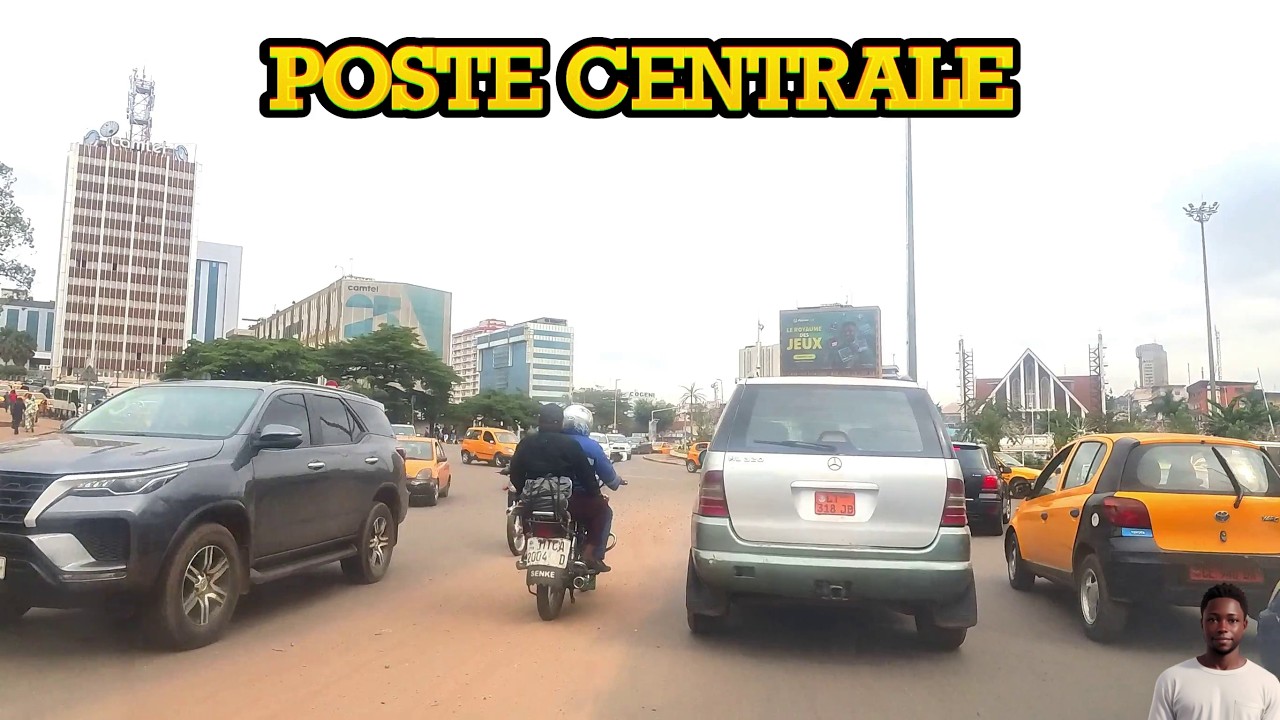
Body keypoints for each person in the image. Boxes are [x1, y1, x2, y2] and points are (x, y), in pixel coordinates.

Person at [1148, 583, 1280, 719]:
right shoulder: (1172, 681)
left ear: (1244, 625)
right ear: (1202, 624)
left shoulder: (1267, 685)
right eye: (1213, 619)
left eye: (1232, 620)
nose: (1223, 628)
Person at [507, 404, 612, 572]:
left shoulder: (526, 443)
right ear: (561, 422)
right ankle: (590, 555)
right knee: (603, 510)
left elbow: (515, 473)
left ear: (539, 421)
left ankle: (528, 546)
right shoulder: (570, 445)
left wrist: (523, 493)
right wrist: (597, 496)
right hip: (565, 503)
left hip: (534, 503)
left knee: (526, 514)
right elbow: (586, 476)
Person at [560, 404, 622, 571]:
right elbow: (609, 476)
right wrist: (616, 482)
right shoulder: (591, 446)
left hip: (550, 498)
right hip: (581, 500)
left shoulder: (553, 440)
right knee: (605, 511)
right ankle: (593, 555)